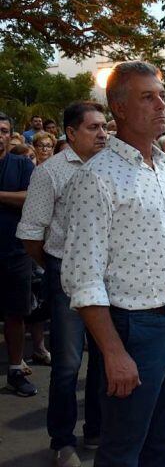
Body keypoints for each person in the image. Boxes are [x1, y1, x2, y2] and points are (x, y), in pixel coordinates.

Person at [60, 61, 165, 467]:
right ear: (119, 108)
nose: (161, 105)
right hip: (134, 329)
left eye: (161, 95)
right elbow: (82, 278)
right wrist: (113, 352)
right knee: (123, 450)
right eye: (148, 97)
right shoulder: (96, 178)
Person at [16, 101, 108, 466]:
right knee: (68, 364)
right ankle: (62, 440)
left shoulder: (111, 167)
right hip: (64, 273)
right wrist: (55, 265)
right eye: (93, 128)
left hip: (106, 275)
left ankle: (97, 430)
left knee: (104, 357)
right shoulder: (50, 172)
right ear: (71, 133)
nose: (102, 134)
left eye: (105, 126)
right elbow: (31, 233)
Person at [0, 113, 38, 397]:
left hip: (15, 251)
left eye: (3, 130)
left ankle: (15, 368)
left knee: (16, 313)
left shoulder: (22, 163)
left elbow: (30, 197)